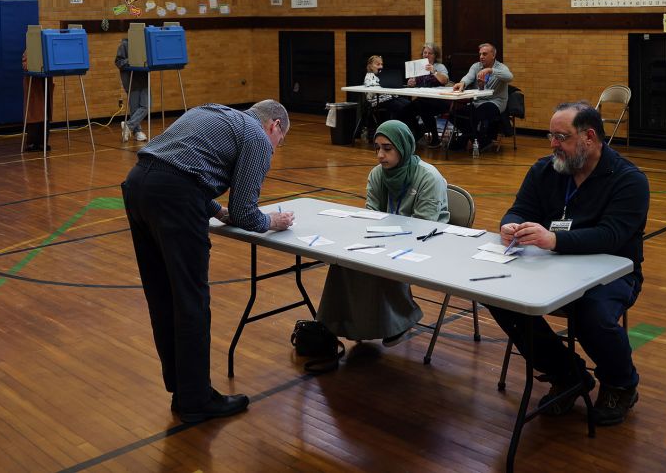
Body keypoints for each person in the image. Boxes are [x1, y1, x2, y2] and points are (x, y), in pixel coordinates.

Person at [121, 100, 296, 424]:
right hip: (175, 199)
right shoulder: (257, 138)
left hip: (138, 186)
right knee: (191, 301)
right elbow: (245, 211)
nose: (274, 151)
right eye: (279, 143)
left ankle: (182, 390)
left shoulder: (213, 112)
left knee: (163, 297)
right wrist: (272, 221)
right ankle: (197, 399)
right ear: (274, 126)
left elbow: (182, 164)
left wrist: (217, 212)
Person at [487, 101, 649, 426]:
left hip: (611, 272)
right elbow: (520, 208)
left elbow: (611, 236)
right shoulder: (546, 170)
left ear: (589, 137)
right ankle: (567, 373)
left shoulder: (629, 180)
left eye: (561, 137)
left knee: (591, 314)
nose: (553, 144)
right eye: (551, 136)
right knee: (500, 299)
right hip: (549, 265)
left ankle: (621, 382)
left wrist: (554, 240)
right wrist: (510, 224)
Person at [316, 120, 449, 344]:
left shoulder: (428, 177)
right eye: (377, 148)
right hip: (387, 236)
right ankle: (339, 323)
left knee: (382, 259)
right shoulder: (377, 174)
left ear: (404, 147)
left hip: (428, 240)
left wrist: (385, 235)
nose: (380, 155)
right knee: (344, 261)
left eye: (387, 148)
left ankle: (402, 318)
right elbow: (371, 216)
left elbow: (424, 225)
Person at [449, 43, 513, 150]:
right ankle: (481, 139)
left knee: (476, 115)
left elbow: (509, 77)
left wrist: (491, 70)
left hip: (496, 102)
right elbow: (468, 77)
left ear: (493, 55)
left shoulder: (501, 67)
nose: (481, 57)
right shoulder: (476, 66)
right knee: (454, 115)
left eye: (485, 54)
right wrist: (462, 83)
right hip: (478, 102)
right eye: (480, 54)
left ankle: (464, 139)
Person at [400, 42, 450, 145]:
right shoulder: (419, 67)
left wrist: (434, 71)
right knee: (404, 111)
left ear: (435, 55)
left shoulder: (439, 66)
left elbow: (445, 81)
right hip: (423, 100)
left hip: (439, 100)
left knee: (423, 107)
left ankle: (434, 137)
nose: (426, 55)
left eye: (430, 53)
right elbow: (414, 84)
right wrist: (411, 83)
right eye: (425, 53)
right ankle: (418, 131)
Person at [361, 55, 408, 138]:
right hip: (378, 101)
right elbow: (370, 95)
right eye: (377, 64)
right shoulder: (369, 77)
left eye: (381, 64)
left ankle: (409, 130)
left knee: (408, 105)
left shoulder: (383, 75)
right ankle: (394, 132)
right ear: (370, 66)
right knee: (400, 107)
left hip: (390, 98)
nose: (380, 66)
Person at [115, 36, 150, 142]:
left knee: (146, 105)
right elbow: (118, 62)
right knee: (134, 108)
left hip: (143, 78)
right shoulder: (125, 44)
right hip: (131, 80)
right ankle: (137, 131)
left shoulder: (146, 43)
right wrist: (132, 60)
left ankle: (128, 126)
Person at [21, 50, 55, 152]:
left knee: (46, 112)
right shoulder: (30, 49)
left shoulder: (48, 48)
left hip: (46, 82)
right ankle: (32, 143)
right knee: (35, 113)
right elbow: (25, 65)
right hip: (34, 83)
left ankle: (43, 142)